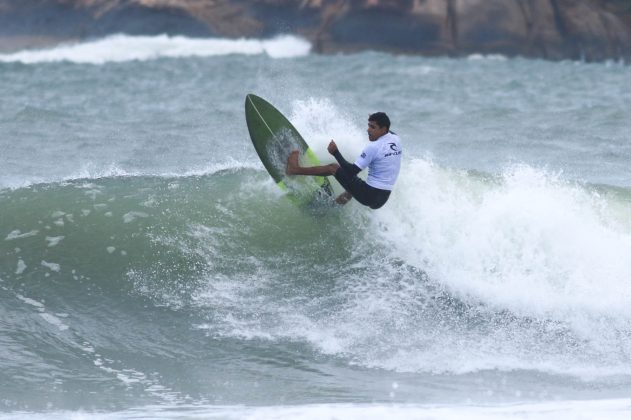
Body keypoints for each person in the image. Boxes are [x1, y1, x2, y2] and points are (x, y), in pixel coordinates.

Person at [286, 112, 402, 209]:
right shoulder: (395, 138)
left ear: (384, 129)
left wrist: (335, 152)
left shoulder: (374, 147)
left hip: (369, 196)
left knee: (333, 168)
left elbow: (351, 171)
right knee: (353, 185)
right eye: (368, 125)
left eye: (373, 127)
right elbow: (388, 131)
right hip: (382, 199)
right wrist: (379, 118)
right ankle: (334, 206)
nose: (368, 130)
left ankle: (294, 169)